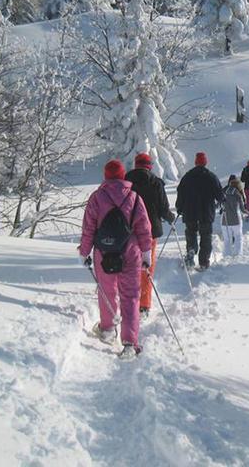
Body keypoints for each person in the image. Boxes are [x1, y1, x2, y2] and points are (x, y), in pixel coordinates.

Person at [79, 159, 153, 359]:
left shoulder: (96, 197)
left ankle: (108, 329)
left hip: (103, 252)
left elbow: (88, 228)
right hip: (130, 252)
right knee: (130, 296)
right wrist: (146, 254)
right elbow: (144, 229)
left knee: (106, 291)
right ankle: (130, 343)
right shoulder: (134, 197)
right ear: (122, 176)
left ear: (106, 176)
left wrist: (84, 251)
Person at [125, 152, 175, 319]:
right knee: (147, 266)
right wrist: (170, 217)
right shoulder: (155, 182)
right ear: (149, 166)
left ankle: (128, 300)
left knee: (129, 265)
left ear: (136, 164)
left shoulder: (126, 181)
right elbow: (163, 207)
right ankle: (144, 305)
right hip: (151, 231)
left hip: (129, 230)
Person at [175, 152, 224, 270]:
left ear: (196, 162)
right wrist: (222, 200)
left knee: (191, 232)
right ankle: (203, 262)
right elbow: (219, 194)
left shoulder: (187, 176)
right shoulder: (211, 177)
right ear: (205, 162)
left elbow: (180, 192)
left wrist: (179, 207)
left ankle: (191, 250)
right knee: (206, 236)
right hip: (206, 212)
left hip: (190, 211)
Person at [221, 175, 244, 256]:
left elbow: (218, 204)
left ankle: (226, 255)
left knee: (227, 240)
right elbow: (243, 209)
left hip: (225, 220)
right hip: (236, 220)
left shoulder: (224, 191)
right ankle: (238, 254)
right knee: (238, 237)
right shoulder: (238, 194)